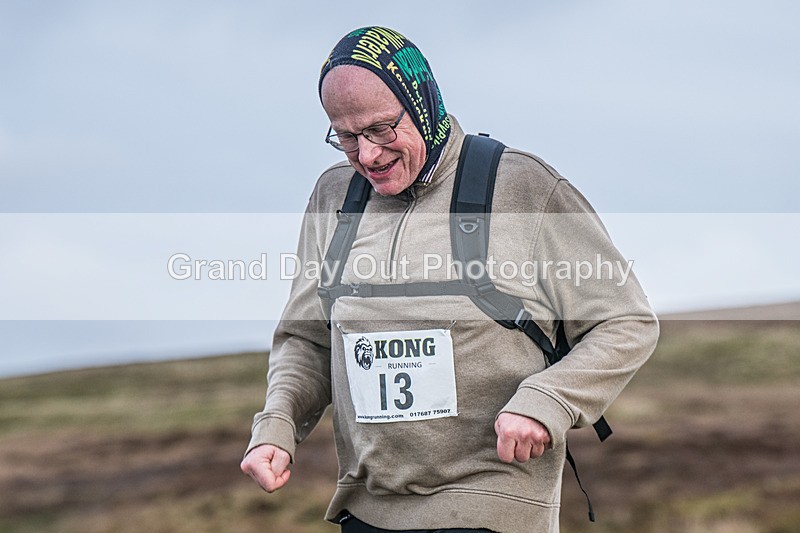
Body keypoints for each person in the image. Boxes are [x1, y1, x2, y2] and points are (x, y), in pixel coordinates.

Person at [241, 26, 659, 533]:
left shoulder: (522, 186)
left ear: (423, 105)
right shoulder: (334, 197)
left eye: (381, 129)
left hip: (493, 506)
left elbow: (626, 321)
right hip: (368, 509)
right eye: (346, 137)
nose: (367, 155)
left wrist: (547, 400)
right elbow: (309, 339)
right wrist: (277, 425)